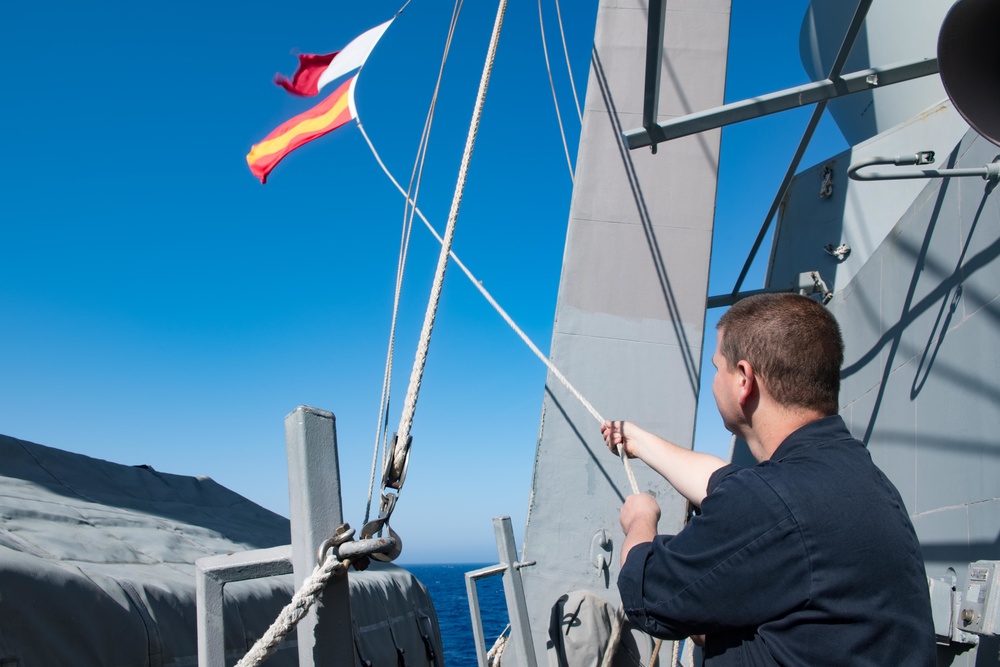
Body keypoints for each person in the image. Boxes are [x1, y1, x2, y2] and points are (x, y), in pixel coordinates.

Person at [601, 292, 936, 666]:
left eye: (717, 367)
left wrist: (640, 518)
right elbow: (721, 482)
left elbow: (647, 592)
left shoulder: (772, 502)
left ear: (743, 379)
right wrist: (637, 440)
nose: (714, 379)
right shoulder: (857, 478)